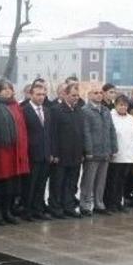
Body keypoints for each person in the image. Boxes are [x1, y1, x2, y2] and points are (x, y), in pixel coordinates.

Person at [0, 80, 28, 226]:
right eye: (4, 89)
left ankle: (7, 211)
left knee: (12, 185)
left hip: (15, 151)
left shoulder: (15, 105)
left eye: (10, 88)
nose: (8, 91)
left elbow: (21, 128)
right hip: (0, 151)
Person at [79, 86, 118, 216]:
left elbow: (111, 129)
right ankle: (85, 205)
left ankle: (99, 204)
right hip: (93, 152)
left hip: (105, 151)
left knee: (101, 181)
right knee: (88, 181)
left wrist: (113, 148)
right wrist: (88, 150)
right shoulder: (85, 111)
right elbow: (86, 132)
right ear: (89, 95)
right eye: (95, 93)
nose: (99, 95)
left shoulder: (106, 110)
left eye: (101, 93)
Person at [49, 83, 84, 218]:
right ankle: (56, 207)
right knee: (58, 182)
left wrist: (82, 152)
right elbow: (53, 133)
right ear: (65, 95)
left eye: (77, 95)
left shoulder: (79, 110)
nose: (75, 98)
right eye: (72, 95)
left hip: (75, 154)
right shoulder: (56, 110)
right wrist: (55, 153)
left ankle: (68, 206)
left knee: (71, 183)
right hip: (61, 155)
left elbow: (80, 133)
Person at [20, 83, 55, 221]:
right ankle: (26, 211)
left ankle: (37, 210)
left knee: (41, 185)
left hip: (45, 154)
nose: (41, 97)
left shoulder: (47, 111)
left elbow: (50, 133)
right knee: (30, 185)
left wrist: (51, 152)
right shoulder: (24, 110)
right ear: (31, 94)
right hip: (31, 154)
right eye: (38, 94)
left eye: (43, 95)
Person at [103, 95, 133, 213]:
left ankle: (119, 202)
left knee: (122, 181)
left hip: (128, 155)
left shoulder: (131, 119)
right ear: (116, 105)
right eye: (121, 105)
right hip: (115, 155)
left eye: (125, 105)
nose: (123, 107)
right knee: (112, 181)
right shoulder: (111, 116)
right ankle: (110, 203)